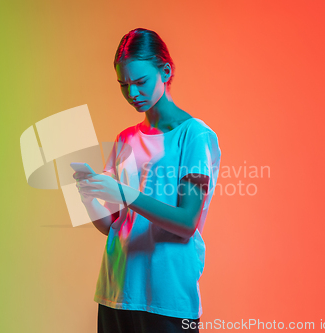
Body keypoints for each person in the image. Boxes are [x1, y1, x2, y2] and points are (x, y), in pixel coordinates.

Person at [73, 28, 221, 333]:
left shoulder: (195, 136)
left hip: (166, 298)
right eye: (123, 85)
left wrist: (126, 194)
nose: (132, 94)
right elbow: (114, 227)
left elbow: (186, 223)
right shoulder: (125, 139)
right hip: (115, 292)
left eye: (140, 82)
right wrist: (87, 195)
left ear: (165, 71)